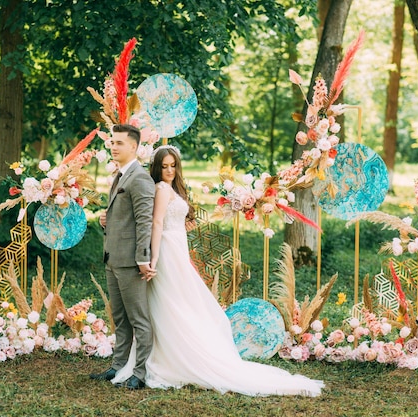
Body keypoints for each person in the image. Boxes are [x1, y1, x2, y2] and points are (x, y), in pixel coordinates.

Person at [111, 145, 324, 396]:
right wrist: (154, 256)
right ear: (157, 168)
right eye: (164, 166)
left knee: (181, 302)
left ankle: (177, 353)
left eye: (172, 165)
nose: (169, 170)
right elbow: (156, 223)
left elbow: (175, 221)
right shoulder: (159, 188)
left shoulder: (172, 189)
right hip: (165, 251)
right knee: (170, 303)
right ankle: (162, 358)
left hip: (177, 249)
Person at [90, 124, 155, 390]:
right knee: (120, 318)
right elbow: (123, 217)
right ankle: (118, 366)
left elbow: (144, 221)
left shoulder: (139, 178)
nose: (113, 147)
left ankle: (139, 373)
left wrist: (142, 258)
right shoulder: (120, 176)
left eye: (119, 143)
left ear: (134, 147)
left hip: (131, 262)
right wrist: (105, 221)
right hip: (112, 258)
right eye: (112, 143)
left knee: (138, 319)